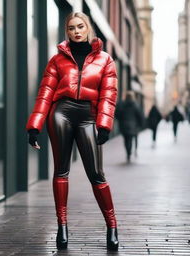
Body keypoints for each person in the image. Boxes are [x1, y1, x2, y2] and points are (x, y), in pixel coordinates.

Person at [26, 12, 119, 251]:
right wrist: (34, 126)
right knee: (61, 171)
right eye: (71, 28)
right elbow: (45, 92)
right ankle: (62, 227)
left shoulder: (106, 60)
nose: (76, 31)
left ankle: (112, 226)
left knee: (96, 173)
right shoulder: (57, 60)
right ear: (66, 31)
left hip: (88, 116)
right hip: (62, 113)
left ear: (88, 28)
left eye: (80, 27)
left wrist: (104, 125)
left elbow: (108, 95)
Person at [115, 91, 144, 162]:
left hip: (123, 125)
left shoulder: (122, 104)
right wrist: (140, 124)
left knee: (126, 139)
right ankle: (129, 151)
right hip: (133, 125)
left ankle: (128, 152)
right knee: (130, 139)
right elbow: (140, 115)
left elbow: (117, 113)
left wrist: (120, 120)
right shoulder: (136, 105)